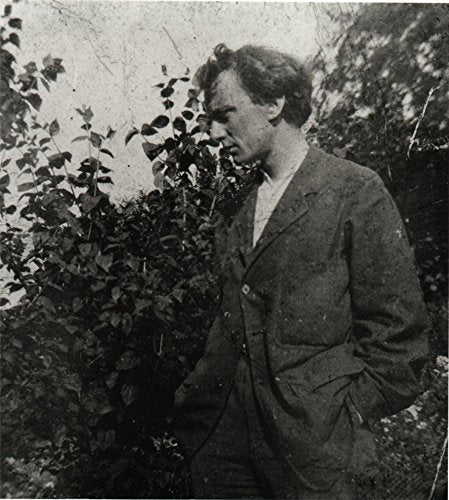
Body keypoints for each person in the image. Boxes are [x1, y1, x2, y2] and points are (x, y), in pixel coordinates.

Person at [172, 44, 429, 499]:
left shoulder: (354, 191)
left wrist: (345, 413)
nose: (212, 133)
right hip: (222, 445)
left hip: (314, 453)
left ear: (274, 103)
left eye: (225, 115)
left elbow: (399, 335)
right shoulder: (237, 205)